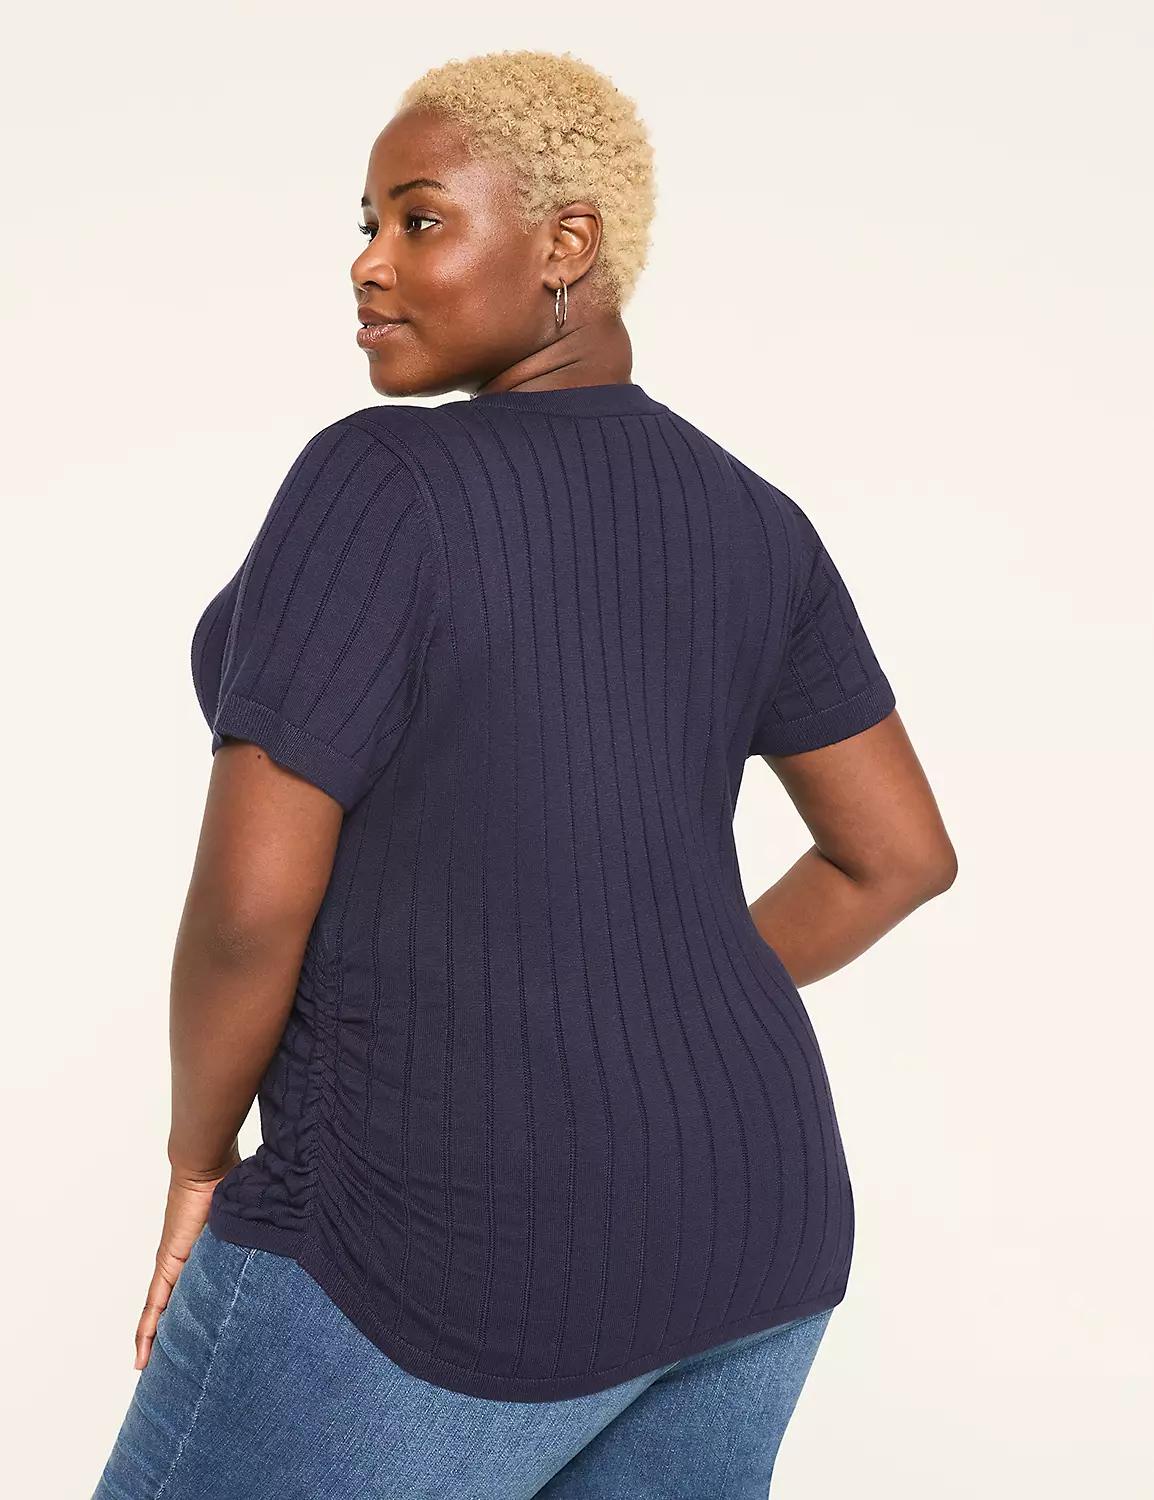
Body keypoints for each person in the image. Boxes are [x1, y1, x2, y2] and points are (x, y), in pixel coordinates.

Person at [92, 48, 956, 1500]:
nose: (369, 262)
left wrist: (196, 1164)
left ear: (567, 245)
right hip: (753, 1221)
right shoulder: (752, 518)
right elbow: (898, 855)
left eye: (420, 219)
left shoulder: (380, 480)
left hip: (432, 1240)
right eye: (367, 222)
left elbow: (250, 909)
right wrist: (645, 1015)